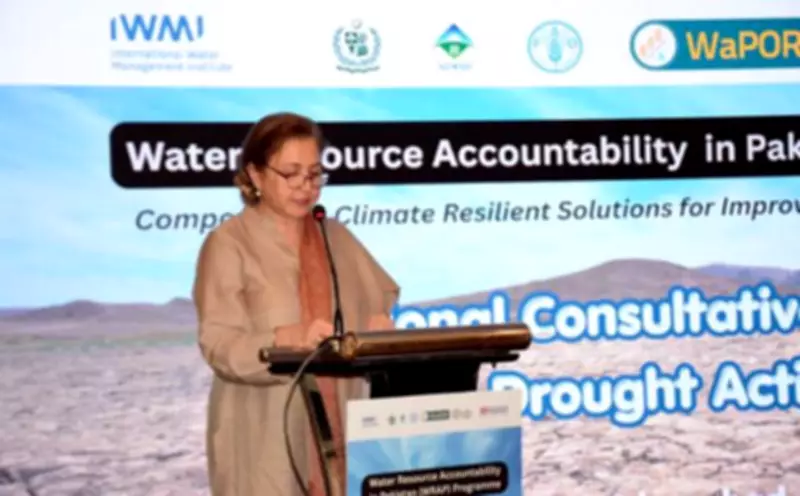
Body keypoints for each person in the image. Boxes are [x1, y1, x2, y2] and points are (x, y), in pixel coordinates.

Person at [191, 112, 399, 496]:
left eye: (315, 174)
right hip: (265, 431)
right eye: (291, 174)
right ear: (255, 175)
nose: (306, 187)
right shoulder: (229, 244)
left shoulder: (334, 235)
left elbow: (379, 298)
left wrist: (377, 324)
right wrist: (286, 339)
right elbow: (219, 345)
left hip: (340, 422)